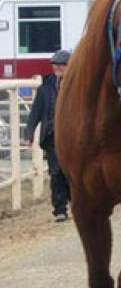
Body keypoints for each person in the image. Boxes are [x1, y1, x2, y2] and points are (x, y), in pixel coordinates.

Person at [24, 49, 71, 221]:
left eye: (62, 65)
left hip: (72, 138)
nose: (58, 68)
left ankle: (73, 201)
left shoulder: (76, 85)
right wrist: (28, 133)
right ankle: (60, 209)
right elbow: (35, 112)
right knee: (56, 172)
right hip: (52, 137)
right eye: (55, 65)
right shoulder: (45, 87)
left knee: (70, 173)